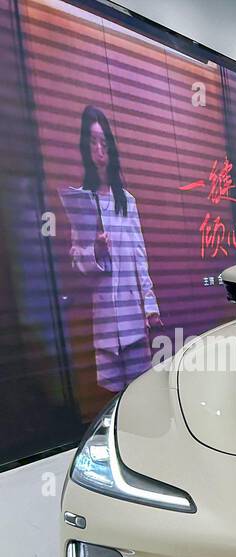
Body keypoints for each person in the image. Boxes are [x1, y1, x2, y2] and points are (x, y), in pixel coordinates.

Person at [66, 105, 162, 393]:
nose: (99, 149)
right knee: (113, 401)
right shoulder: (81, 201)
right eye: (93, 142)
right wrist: (94, 250)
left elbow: (140, 259)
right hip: (106, 321)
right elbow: (76, 262)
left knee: (141, 393)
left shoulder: (127, 202)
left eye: (103, 142)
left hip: (133, 317)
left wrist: (151, 307)